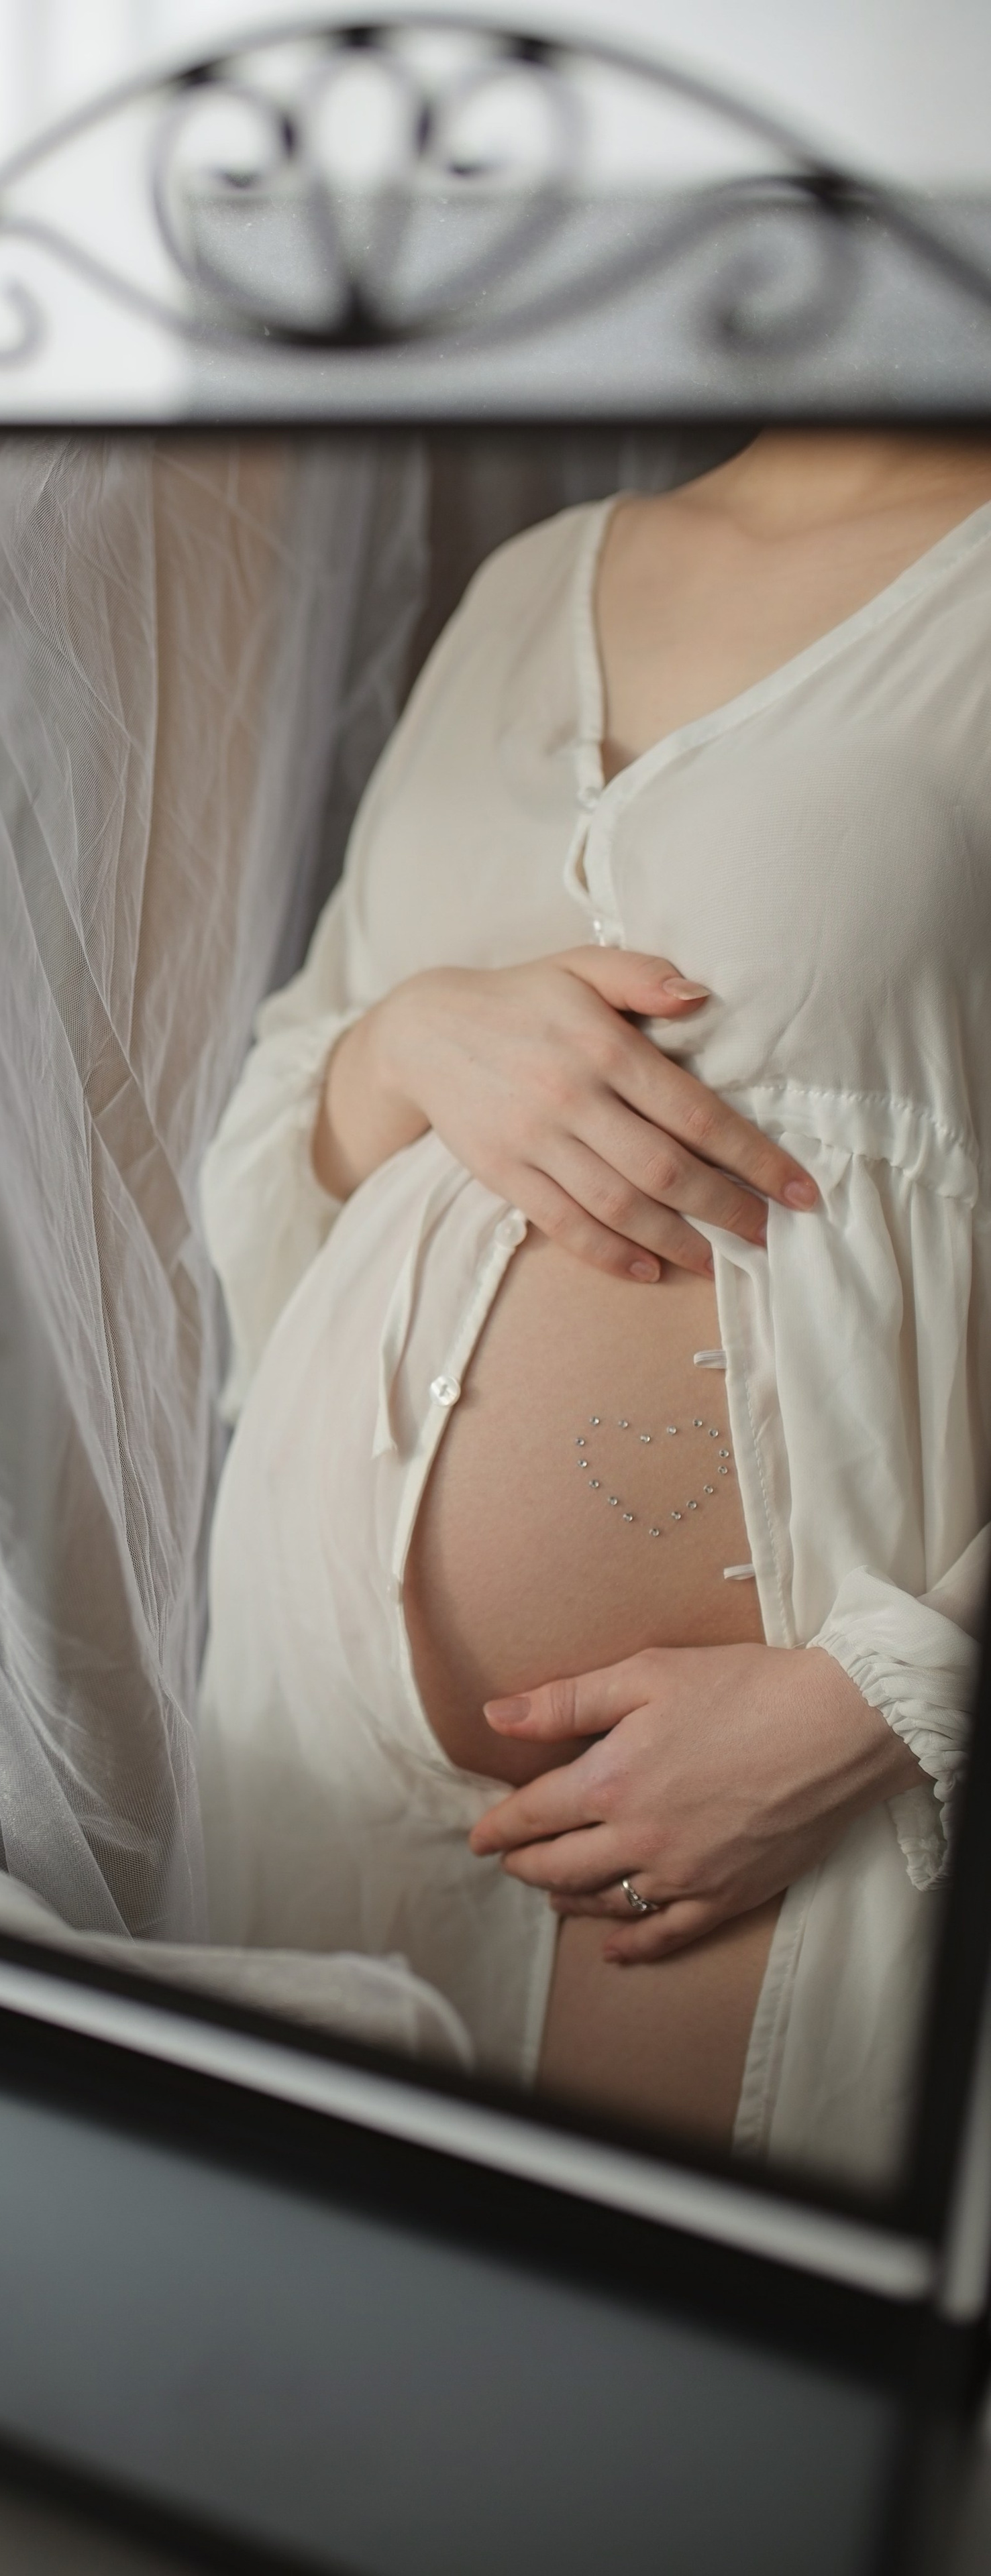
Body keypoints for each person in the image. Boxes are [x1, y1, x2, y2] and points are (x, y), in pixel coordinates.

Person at [197, 433, 991, 2184]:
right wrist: (409, 1040)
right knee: (323, 2379)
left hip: (799, 1790)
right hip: (317, 1732)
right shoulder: (531, 581)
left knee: (710, 2410)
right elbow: (280, 1132)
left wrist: (886, 1696)